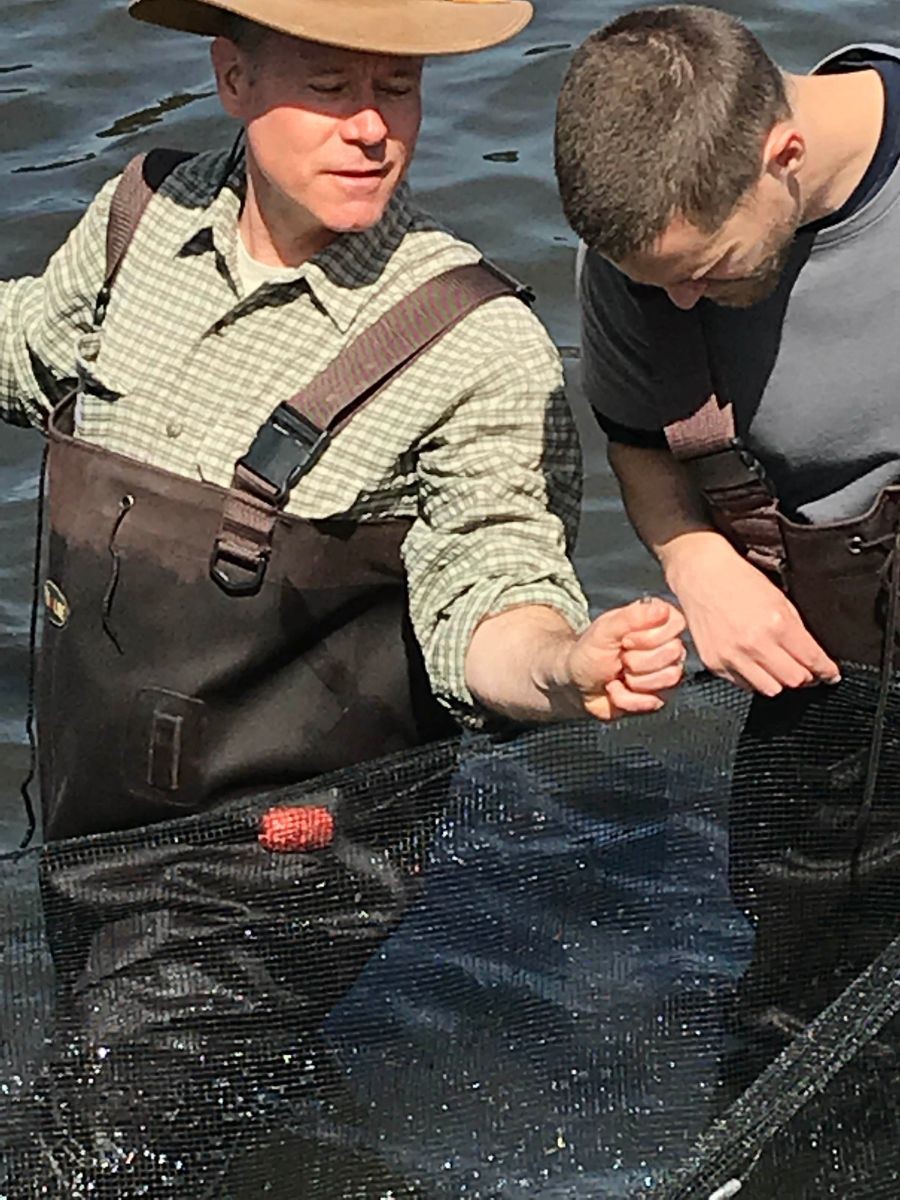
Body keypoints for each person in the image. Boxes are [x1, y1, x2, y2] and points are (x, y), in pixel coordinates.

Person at [1, 1, 688, 1191]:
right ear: (232, 77)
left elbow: (491, 582)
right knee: (163, 1113)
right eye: (330, 87)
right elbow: (25, 355)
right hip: (95, 821)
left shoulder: (472, 341)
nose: (372, 127)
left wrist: (564, 667)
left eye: (398, 88)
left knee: (80, 1162)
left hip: (284, 865)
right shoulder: (137, 219)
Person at [555, 3, 900, 1096]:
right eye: (654, 278)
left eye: (703, 268)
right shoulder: (642, 256)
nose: (680, 300)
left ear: (783, 155)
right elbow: (638, 443)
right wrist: (696, 561)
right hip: (830, 659)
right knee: (804, 1004)